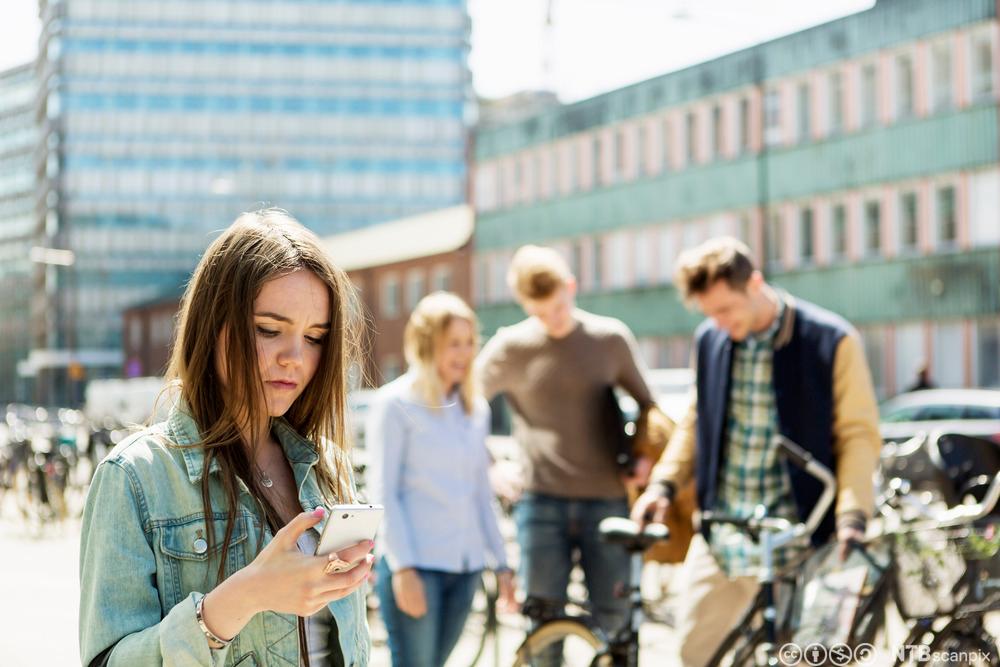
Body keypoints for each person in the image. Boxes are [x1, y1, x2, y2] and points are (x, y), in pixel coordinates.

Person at [79, 210, 373, 667]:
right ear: (212, 323)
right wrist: (240, 599)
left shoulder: (326, 466)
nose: (294, 357)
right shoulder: (136, 478)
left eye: (315, 337)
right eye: (268, 330)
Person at [631, 237, 882, 667]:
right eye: (709, 313)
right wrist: (663, 484)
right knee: (695, 653)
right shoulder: (711, 339)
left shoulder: (831, 341)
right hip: (725, 530)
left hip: (803, 536)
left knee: (806, 658)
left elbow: (858, 434)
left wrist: (852, 515)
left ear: (755, 283)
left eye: (726, 309)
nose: (719, 322)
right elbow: (697, 419)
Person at [475, 245, 665, 652]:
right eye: (541, 313)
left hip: (608, 501)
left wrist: (645, 457)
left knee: (615, 622)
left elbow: (651, 408)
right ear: (524, 304)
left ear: (571, 287)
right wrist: (490, 464)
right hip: (541, 504)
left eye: (558, 308)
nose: (553, 321)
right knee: (544, 624)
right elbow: (458, 410)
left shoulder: (610, 339)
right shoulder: (511, 347)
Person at [366, 292, 516, 667]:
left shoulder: (474, 409)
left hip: (465, 570)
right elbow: (384, 494)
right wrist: (403, 568)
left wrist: (502, 563)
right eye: (453, 344)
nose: (464, 354)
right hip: (417, 567)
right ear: (427, 344)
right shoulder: (394, 405)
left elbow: (481, 494)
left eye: (469, 343)